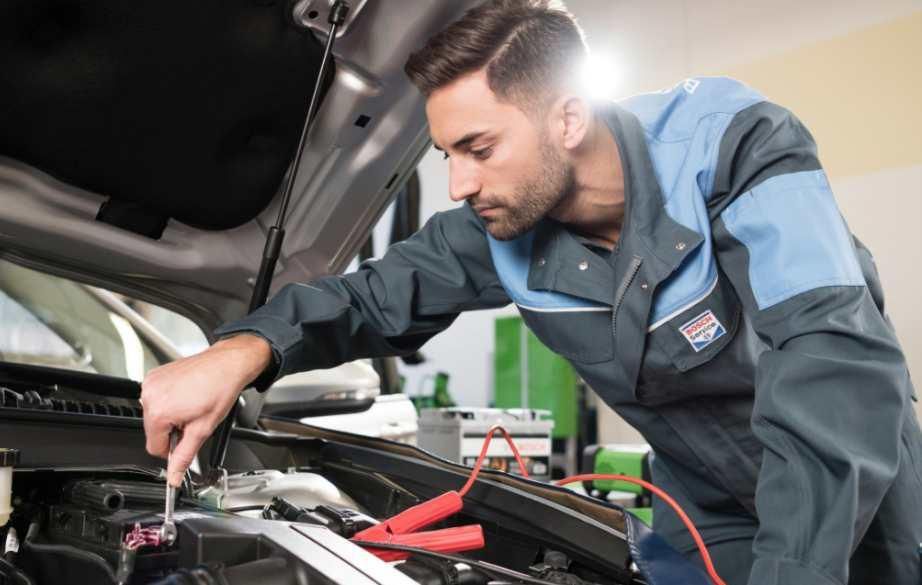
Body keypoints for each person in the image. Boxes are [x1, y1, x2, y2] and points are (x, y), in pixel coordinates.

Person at [140, 1, 922, 583]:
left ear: (568, 119)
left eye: (478, 148)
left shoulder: (735, 151)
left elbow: (829, 366)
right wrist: (241, 350)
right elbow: (371, 297)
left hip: (855, 488)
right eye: (447, 152)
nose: (459, 183)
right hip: (704, 509)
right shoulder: (499, 225)